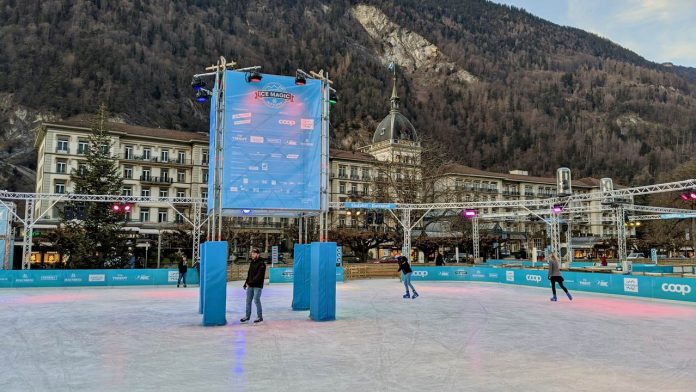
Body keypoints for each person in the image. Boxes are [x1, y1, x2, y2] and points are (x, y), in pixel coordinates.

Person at [241, 248, 266, 324]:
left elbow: (259, 276)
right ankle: (247, 316)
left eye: (254, 254)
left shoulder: (262, 264)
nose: (252, 255)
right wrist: (246, 283)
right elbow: (249, 274)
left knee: (256, 300)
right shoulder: (252, 262)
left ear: (258, 254)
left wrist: (250, 282)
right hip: (250, 285)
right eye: (252, 254)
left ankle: (260, 317)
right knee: (248, 301)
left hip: (257, 286)